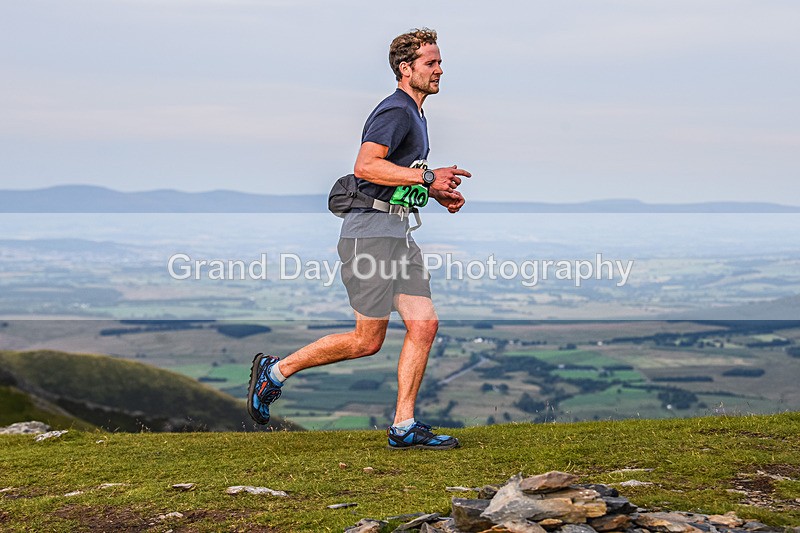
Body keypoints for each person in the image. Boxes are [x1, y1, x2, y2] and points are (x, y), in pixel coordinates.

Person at [247, 28, 471, 450]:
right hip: (369, 236)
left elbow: (391, 178)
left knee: (424, 324)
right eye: (431, 63)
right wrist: (427, 176)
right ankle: (274, 372)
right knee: (367, 340)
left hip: (396, 234)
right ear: (406, 69)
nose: (440, 69)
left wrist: (434, 192)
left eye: (440, 62)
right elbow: (367, 166)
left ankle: (404, 427)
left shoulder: (416, 113)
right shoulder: (396, 111)